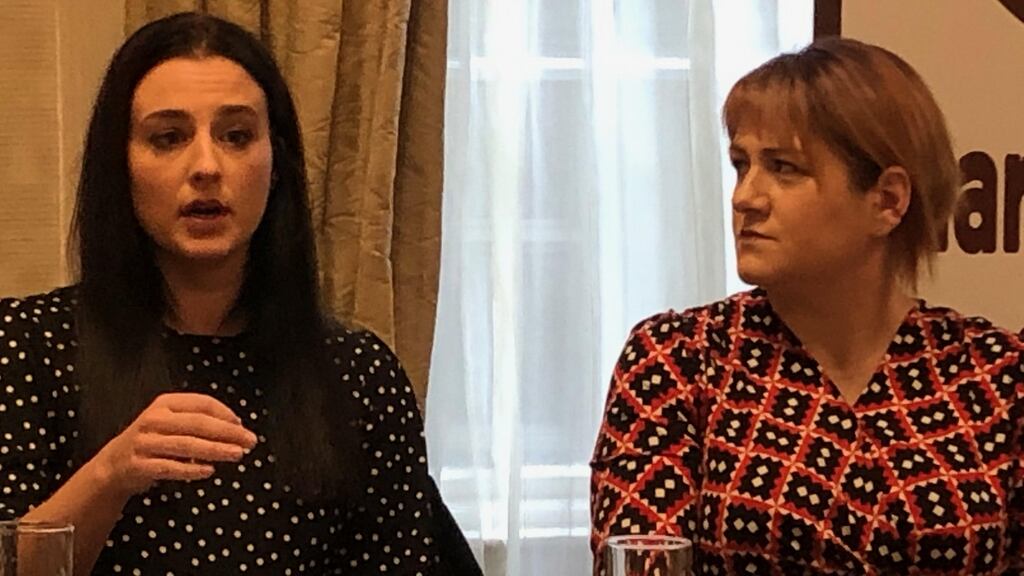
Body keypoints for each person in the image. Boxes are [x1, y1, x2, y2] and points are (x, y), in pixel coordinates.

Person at [0, 12, 479, 575]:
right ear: (121, 167)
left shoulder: (358, 375)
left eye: (236, 136)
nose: (206, 166)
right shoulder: (28, 347)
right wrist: (112, 473)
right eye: (168, 138)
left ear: (276, 165)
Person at [590, 37, 1023, 575]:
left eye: (784, 168)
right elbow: (642, 562)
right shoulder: (680, 360)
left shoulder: (996, 374)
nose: (745, 197)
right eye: (741, 165)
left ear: (887, 200)